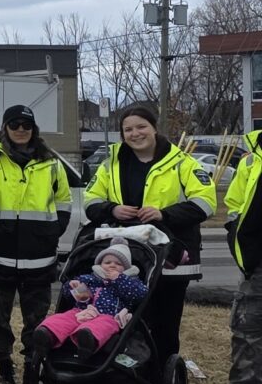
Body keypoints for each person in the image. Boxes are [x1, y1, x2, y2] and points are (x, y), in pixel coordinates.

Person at [83, 102, 214, 369]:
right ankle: (127, 373)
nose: (135, 133)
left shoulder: (182, 163)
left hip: (171, 257)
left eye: (141, 126)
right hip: (127, 260)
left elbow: (206, 203)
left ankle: (160, 378)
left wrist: (164, 214)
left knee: (165, 323)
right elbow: (90, 201)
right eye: (128, 129)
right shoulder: (111, 165)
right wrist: (112, 209)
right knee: (127, 319)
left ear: (154, 128)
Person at [0, 106, 71, 384]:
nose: (21, 129)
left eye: (27, 124)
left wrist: (52, 231)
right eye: (15, 124)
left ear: (34, 129)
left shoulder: (51, 162)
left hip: (39, 258)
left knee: (36, 322)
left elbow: (63, 201)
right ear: (4, 127)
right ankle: (4, 368)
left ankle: (31, 371)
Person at [31, 243, 148, 360]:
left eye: (118, 264)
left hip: (109, 316)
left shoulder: (130, 281)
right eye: (107, 263)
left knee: (102, 326)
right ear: (100, 265)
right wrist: (73, 287)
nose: (112, 265)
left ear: (126, 268)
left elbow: (140, 294)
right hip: (81, 311)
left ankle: (87, 342)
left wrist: (119, 279)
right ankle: (46, 335)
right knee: (63, 318)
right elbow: (72, 297)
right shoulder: (90, 278)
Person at [220, 126, 262, 384]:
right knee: (247, 335)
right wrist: (237, 235)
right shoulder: (250, 159)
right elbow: (234, 205)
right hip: (257, 268)